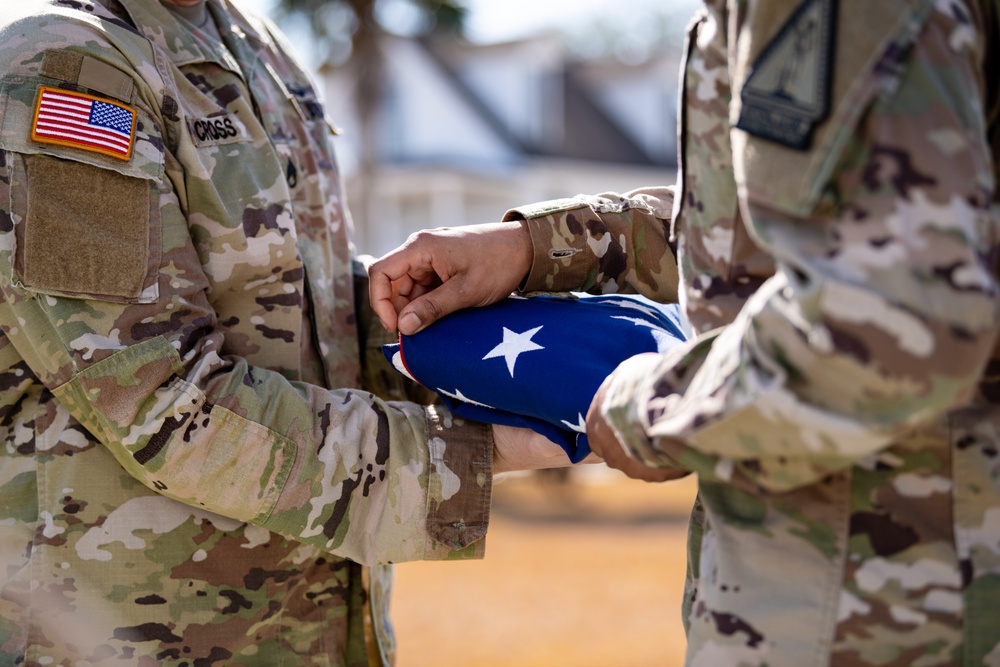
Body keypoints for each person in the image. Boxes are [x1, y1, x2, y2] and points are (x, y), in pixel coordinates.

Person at [370, 1, 1000, 664]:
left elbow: (894, 317)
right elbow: (760, 231)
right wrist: (536, 246)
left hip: (883, 608)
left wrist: (643, 411)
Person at [0, 0, 576, 665]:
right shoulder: (69, 72)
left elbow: (307, 313)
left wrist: (523, 344)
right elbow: (160, 396)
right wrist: (476, 451)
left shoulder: (258, 48)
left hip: (311, 629)